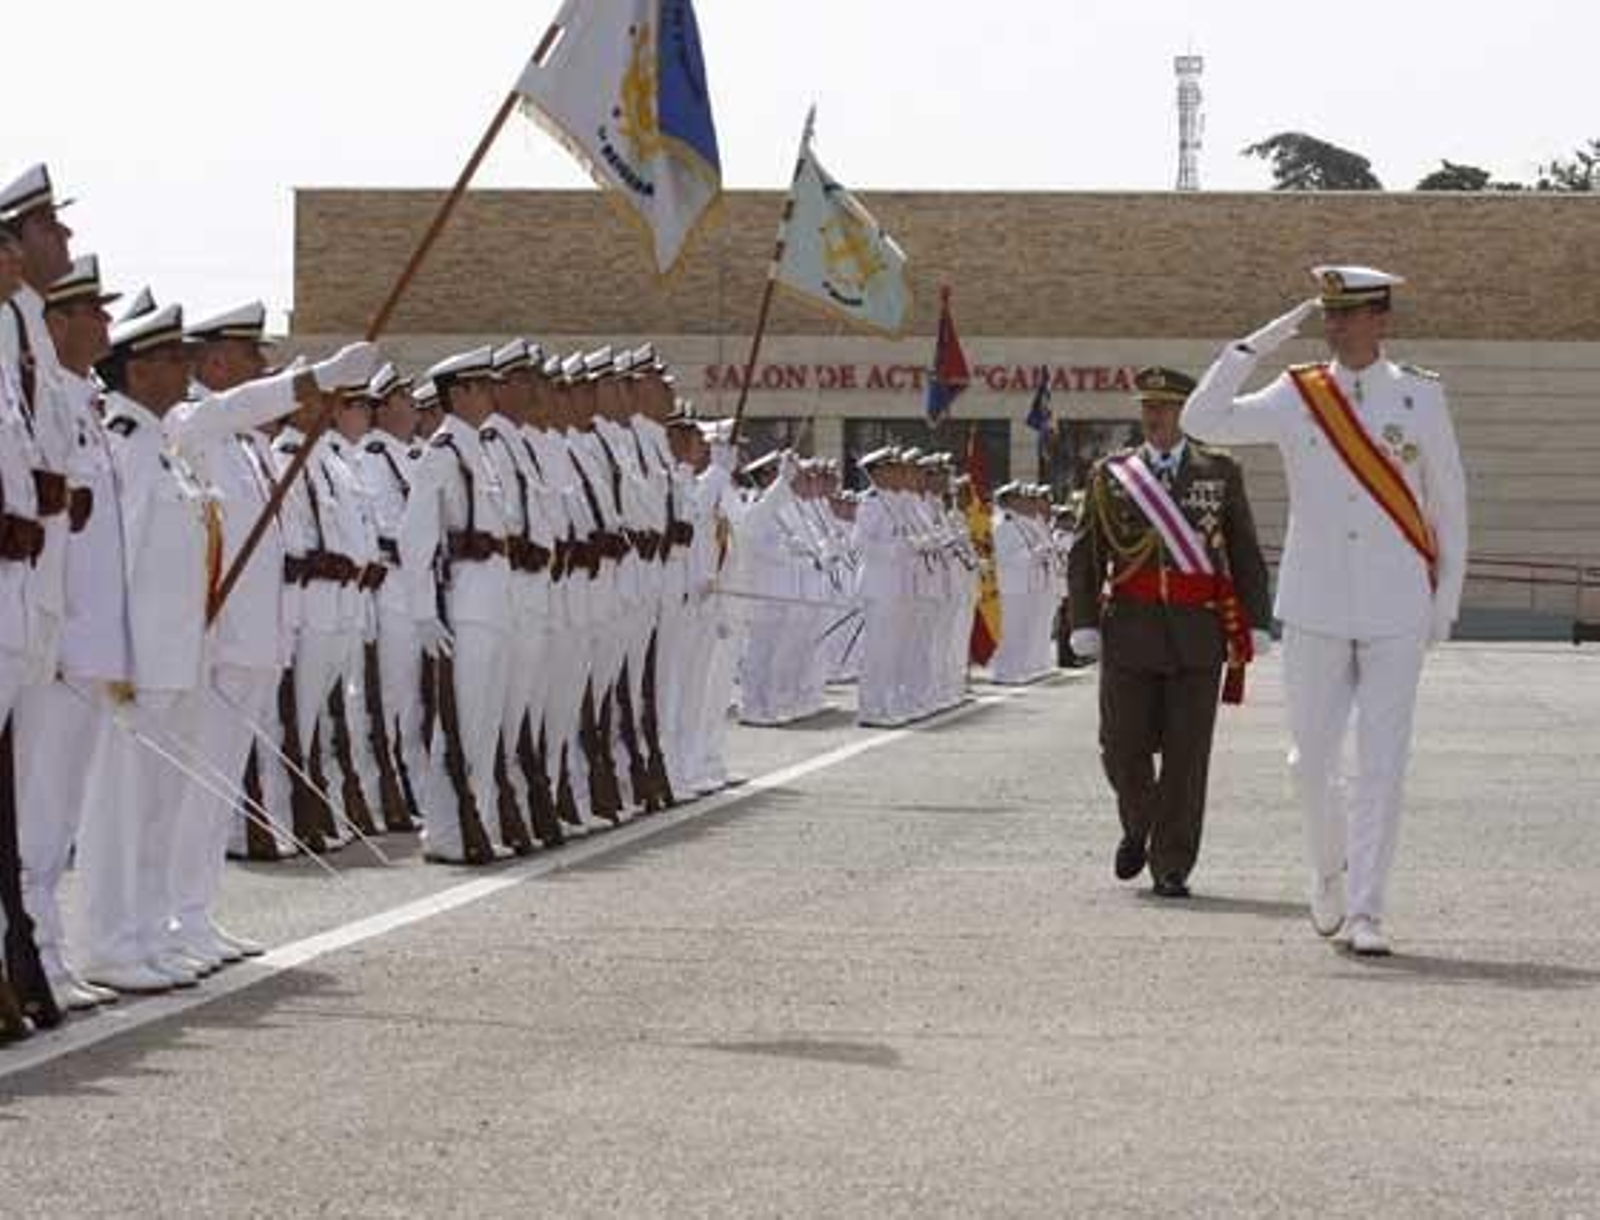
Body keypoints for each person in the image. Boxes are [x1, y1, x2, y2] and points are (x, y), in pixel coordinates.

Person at [1179, 266, 1469, 954]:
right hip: (1315, 600)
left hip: (1397, 600)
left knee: (1382, 763)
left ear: (1382, 320)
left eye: (1348, 314)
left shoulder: (1419, 397)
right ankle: (1328, 869)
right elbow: (1200, 419)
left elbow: (1448, 499)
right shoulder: (1296, 394)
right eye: (1328, 315)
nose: (1334, 326)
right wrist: (1265, 339)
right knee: (1307, 762)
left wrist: (1445, 602)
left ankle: (1367, 909)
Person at [1068, 367, 1272, 899]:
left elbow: (1244, 549)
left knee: (1186, 757)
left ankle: (1172, 864)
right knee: (1120, 747)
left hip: (1196, 635)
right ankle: (1140, 824)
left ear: (1186, 412)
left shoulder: (1220, 472)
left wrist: (1256, 620)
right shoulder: (1112, 474)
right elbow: (1086, 552)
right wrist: (1084, 622)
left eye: (1164, 407)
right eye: (1147, 407)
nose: (1154, 417)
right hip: (1130, 631)